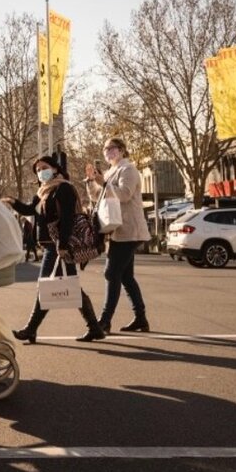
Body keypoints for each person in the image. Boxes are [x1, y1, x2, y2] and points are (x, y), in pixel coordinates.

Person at [1, 156, 105, 343]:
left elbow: (67, 218)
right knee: (68, 287)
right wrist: (11, 201)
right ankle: (94, 327)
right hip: (50, 246)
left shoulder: (63, 188)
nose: (41, 172)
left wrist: (63, 244)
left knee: (47, 286)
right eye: (38, 170)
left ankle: (31, 329)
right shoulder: (42, 191)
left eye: (44, 167)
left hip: (58, 247)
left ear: (55, 169)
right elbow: (28, 210)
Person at [85, 137, 151, 333]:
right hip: (117, 230)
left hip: (130, 230)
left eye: (111, 148)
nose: (108, 152)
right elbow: (98, 197)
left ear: (122, 150)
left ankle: (105, 320)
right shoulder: (110, 171)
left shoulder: (128, 169)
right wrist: (91, 183)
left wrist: (103, 182)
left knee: (111, 273)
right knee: (126, 277)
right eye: (105, 149)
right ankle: (140, 318)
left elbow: (124, 195)